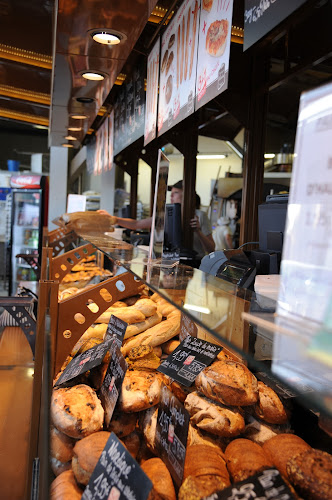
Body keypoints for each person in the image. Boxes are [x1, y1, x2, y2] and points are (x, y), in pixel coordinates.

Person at [98, 179, 215, 258]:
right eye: (172, 192)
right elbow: (137, 224)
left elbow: (211, 249)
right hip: (172, 264)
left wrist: (198, 231)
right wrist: (114, 219)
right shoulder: (167, 214)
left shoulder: (200, 215)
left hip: (195, 264)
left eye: (176, 192)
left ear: (187, 195)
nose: (171, 196)